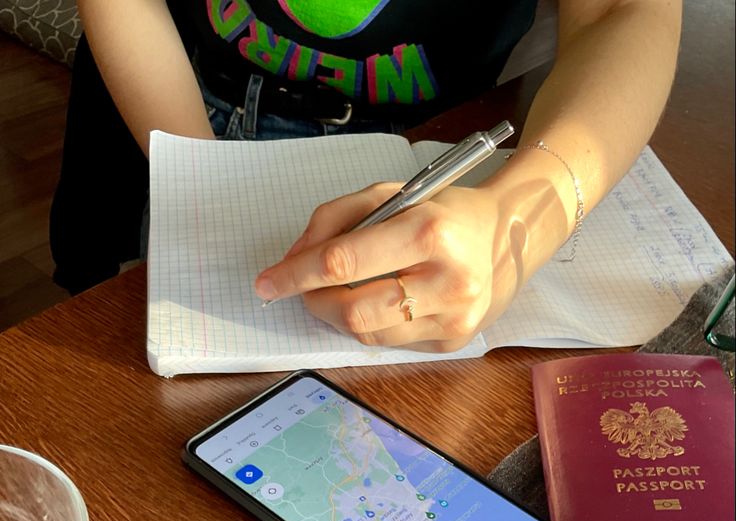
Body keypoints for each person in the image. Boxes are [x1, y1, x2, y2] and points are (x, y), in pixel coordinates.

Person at [62, 0, 682, 352]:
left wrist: (518, 219)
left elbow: (620, 13)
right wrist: (202, 178)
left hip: (427, 147)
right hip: (196, 108)